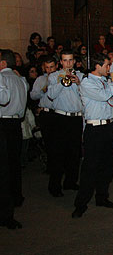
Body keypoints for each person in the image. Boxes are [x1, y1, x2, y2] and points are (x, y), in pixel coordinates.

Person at [72, 53, 113, 218]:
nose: (109, 68)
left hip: (108, 126)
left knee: (108, 165)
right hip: (94, 129)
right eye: (107, 65)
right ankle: (81, 204)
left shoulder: (106, 81)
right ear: (97, 66)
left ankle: (102, 197)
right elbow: (104, 96)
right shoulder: (87, 83)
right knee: (90, 168)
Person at [47, 50, 84, 197]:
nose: (68, 63)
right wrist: (63, 81)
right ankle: (54, 186)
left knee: (74, 152)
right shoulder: (54, 76)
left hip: (76, 118)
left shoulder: (80, 76)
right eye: (65, 61)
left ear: (74, 61)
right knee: (59, 153)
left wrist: (79, 83)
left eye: (70, 60)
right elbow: (50, 95)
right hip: (61, 118)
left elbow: (86, 95)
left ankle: (70, 182)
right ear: (60, 62)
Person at [0, 49, 28, 211]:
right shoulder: (20, 80)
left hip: (3, 124)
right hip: (16, 124)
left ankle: (7, 199)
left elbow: (4, 100)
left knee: (5, 165)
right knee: (14, 163)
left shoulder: (2, 78)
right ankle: (16, 195)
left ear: (3, 63)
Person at [29, 56, 57, 184]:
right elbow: (33, 95)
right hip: (46, 113)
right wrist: (43, 90)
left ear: (56, 66)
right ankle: (51, 167)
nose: (50, 70)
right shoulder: (40, 79)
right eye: (47, 68)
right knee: (49, 141)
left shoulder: (60, 78)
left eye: (52, 67)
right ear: (43, 68)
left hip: (58, 113)